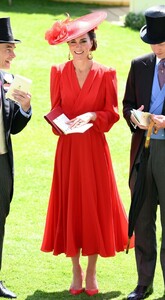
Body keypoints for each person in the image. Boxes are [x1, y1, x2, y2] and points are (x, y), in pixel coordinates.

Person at [41, 11, 133, 296]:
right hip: (68, 150)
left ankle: (91, 270)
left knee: (93, 207)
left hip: (94, 149)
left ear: (93, 42)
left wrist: (93, 115)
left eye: (83, 41)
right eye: (72, 42)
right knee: (71, 205)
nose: (77, 47)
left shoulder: (107, 73)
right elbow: (55, 108)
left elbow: (113, 114)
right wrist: (62, 123)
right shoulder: (57, 72)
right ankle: (75, 268)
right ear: (67, 46)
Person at [123, 5, 165, 300]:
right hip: (144, 153)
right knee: (142, 219)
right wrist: (135, 117)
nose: (156, 46)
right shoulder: (139, 65)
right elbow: (126, 105)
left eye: (161, 40)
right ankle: (143, 283)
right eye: (152, 41)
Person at [0, 17, 32, 298]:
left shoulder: (9, 82)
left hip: (2, 164)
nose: (13, 54)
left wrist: (25, 107)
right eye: (8, 48)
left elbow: (14, 129)